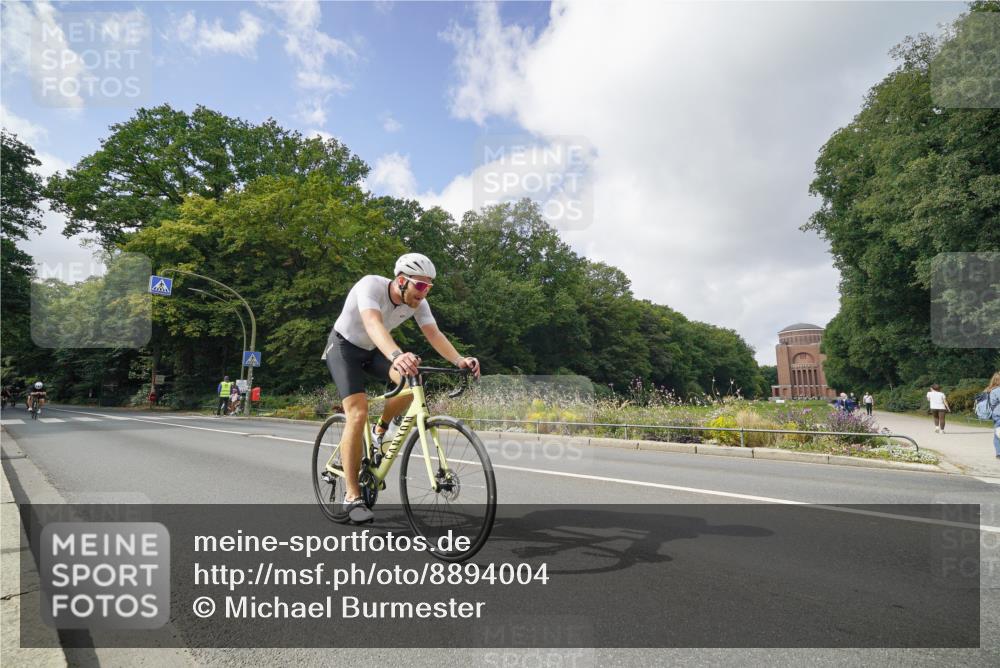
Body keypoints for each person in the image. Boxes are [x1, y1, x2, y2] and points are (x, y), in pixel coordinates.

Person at [323, 253, 480, 524]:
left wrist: (459, 359)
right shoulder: (369, 285)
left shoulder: (419, 302)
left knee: (410, 379)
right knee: (357, 413)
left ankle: (380, 430)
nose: (424, 292)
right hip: (344, 348)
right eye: (420, 286)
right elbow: (372, 324)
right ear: (401, 281)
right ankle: (352, 495)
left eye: (429, 287)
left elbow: (434, 334)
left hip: (373, 350)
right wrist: (397, 355)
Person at [984, 372, 1000, 460]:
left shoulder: (992, 390)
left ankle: (999, 453)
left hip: (998, 414)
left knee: (998, 434)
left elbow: (993, 403)